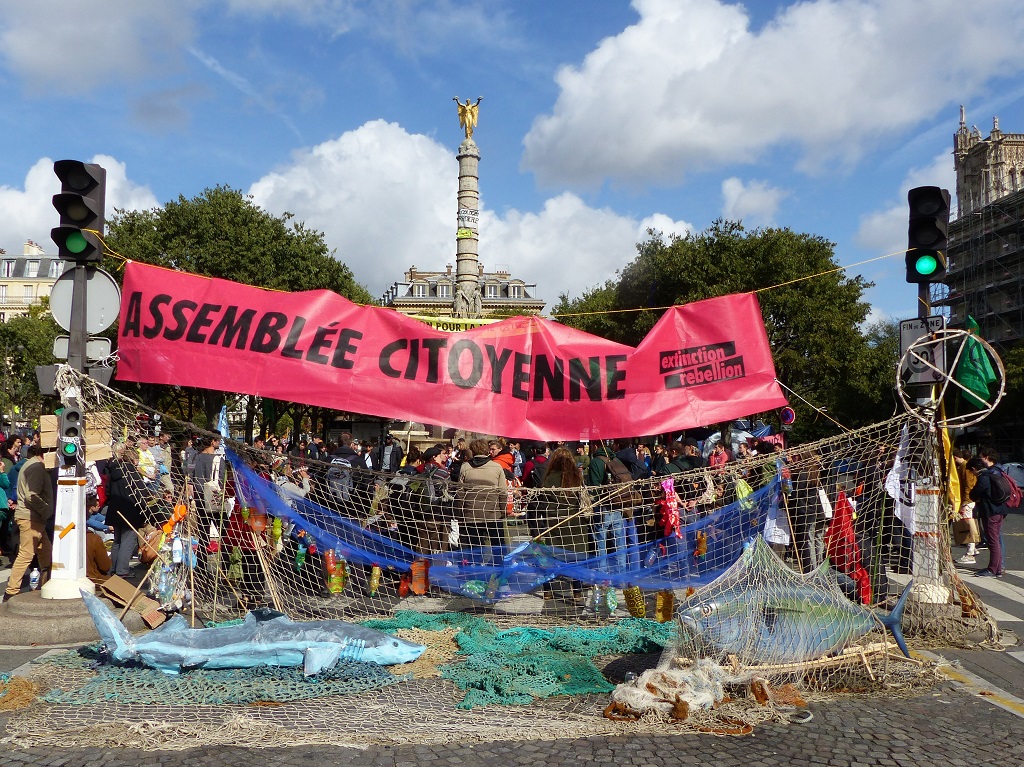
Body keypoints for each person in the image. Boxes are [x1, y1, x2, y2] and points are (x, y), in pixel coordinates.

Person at [3, 444, 53, 601]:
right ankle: (11, 590)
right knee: (26, 554)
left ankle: (48, 580)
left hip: (33, 517)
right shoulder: (37, 467)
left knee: (45, 550)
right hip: (31, 517)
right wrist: (46, 510)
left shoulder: (32, 464)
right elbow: (32, 495)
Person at [104, 445, 151, 578]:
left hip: (115, 510)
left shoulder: (114, 472)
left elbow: (107, 491)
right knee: (127, 541)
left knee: (117, 541)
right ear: (134, 460)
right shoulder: (133, 473)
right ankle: (122, 570)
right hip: (130, 511)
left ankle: (113, 568)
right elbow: (142, 493)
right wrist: (144, 513)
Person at [457, 439, 507, 557]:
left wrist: (460, 512)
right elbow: (503, 492)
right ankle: (499, 569)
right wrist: (503, 510)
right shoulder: (497, 467)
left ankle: (476, 572)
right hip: (493, 513)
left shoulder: (465, 467)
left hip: (472, 513)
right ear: (487, 450)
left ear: (472, 451)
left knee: (474, 548)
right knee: (498, 546)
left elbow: (460, 493)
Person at [967, 454, 1009, 577]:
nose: (972, 474)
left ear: (975, 469)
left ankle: (992, 569)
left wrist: (975, 495)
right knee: (995, 539)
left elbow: (974, 494)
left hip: (991, 512)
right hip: (999, 510)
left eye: (972, 471)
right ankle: (998, 568)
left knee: (993, 540)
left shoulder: (983, 478)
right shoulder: (993, 474)